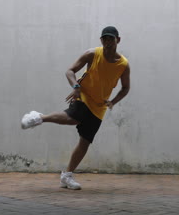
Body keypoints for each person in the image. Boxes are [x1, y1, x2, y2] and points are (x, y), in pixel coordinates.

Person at [21, 26, 131, 190]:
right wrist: (76, 86)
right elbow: (70, 71)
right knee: (73, 118)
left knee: (85, 142)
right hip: (83, 95)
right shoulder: (92, 54)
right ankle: (39, 117)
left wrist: (113, 101)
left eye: (111, 39)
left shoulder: (123, 65)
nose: (108, 42)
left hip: (99, 106)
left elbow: (125, 88)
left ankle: (67, 176)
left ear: (118, 40)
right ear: (101, 40)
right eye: (105, 39)